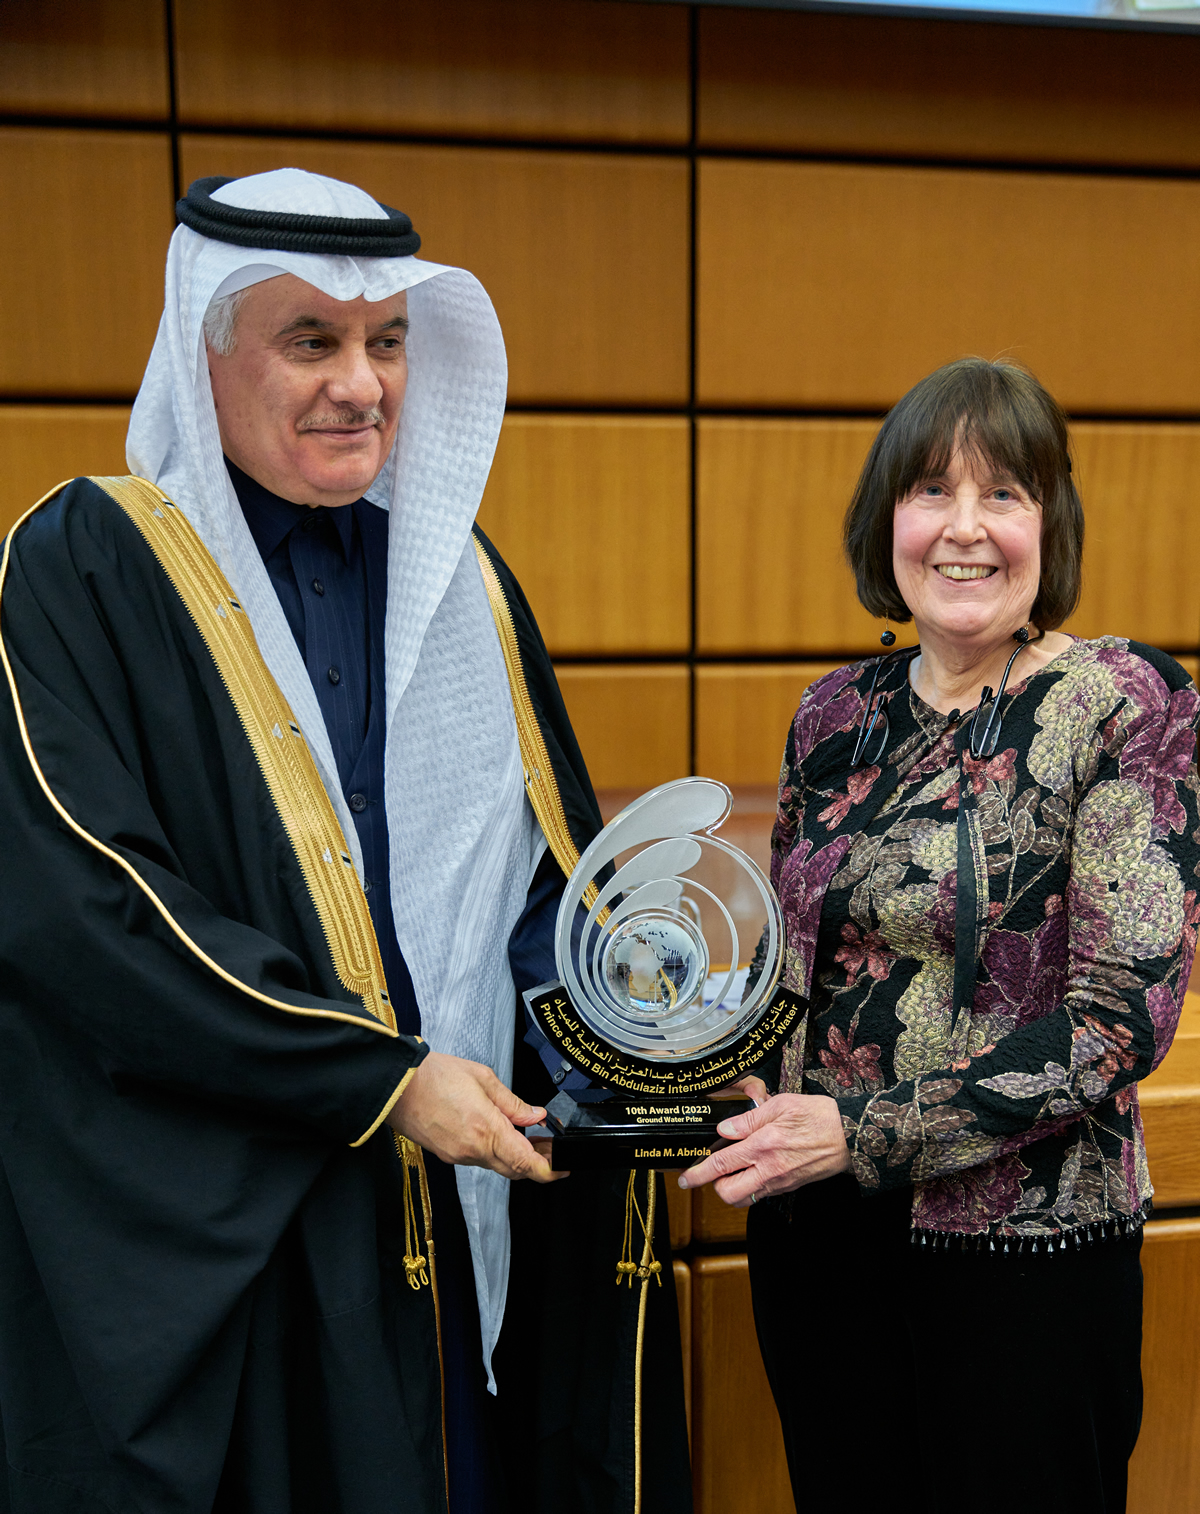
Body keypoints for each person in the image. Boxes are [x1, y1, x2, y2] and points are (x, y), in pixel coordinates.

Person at [0, 169, 690, 1514]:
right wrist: (378, 1076)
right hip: (252, 1223)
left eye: (387, 342)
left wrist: (635, 1039)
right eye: (310, 340)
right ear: (205, 354)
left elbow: (536, 875)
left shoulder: (458, 573)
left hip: (462, 1196)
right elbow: (91, 910)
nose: (360, 384)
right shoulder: (85, 566)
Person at [681, 358, 1199, 1514]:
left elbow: (1120, 1021)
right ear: (889, 520)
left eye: (1003, 492)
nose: (965, 528)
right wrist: (667, 1066)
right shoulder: (835, 711)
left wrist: (859, 1132)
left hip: (1026, 1259)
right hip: (821, 1245)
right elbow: (791, 974)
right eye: (932, 490)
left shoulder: (1125, 702)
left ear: (1049, 523)